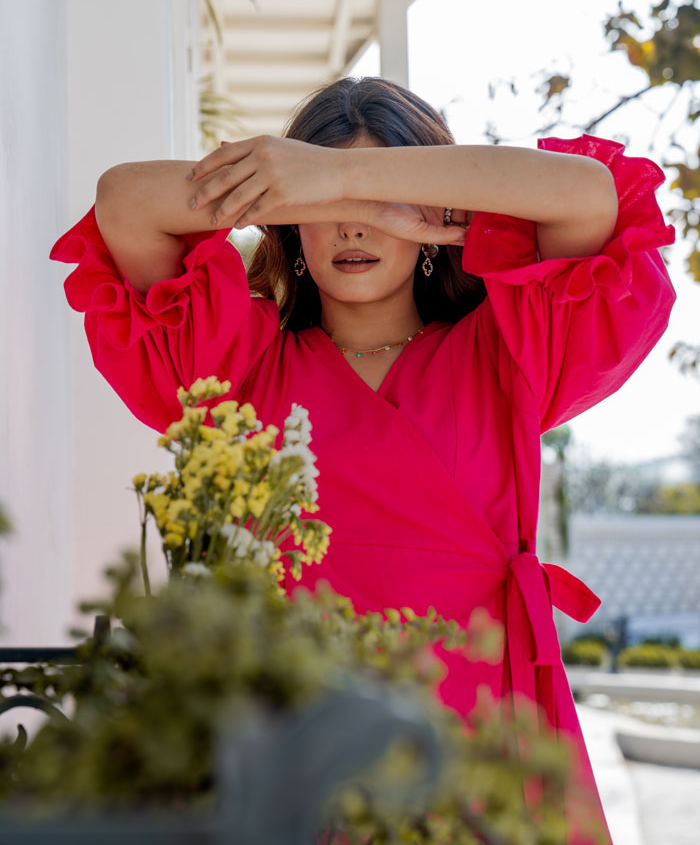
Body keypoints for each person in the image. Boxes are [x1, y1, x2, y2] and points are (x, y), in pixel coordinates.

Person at [49, 75, 677, 843]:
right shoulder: (239, 366)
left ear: (428, 226)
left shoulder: (506, 352)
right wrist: (301, 182)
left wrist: (340, 177)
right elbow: (124, 203)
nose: (352, 228)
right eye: (324, 213)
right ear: (293, 233)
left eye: (380, 208)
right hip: (293, 739)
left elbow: (589, 196)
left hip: (478, 725)